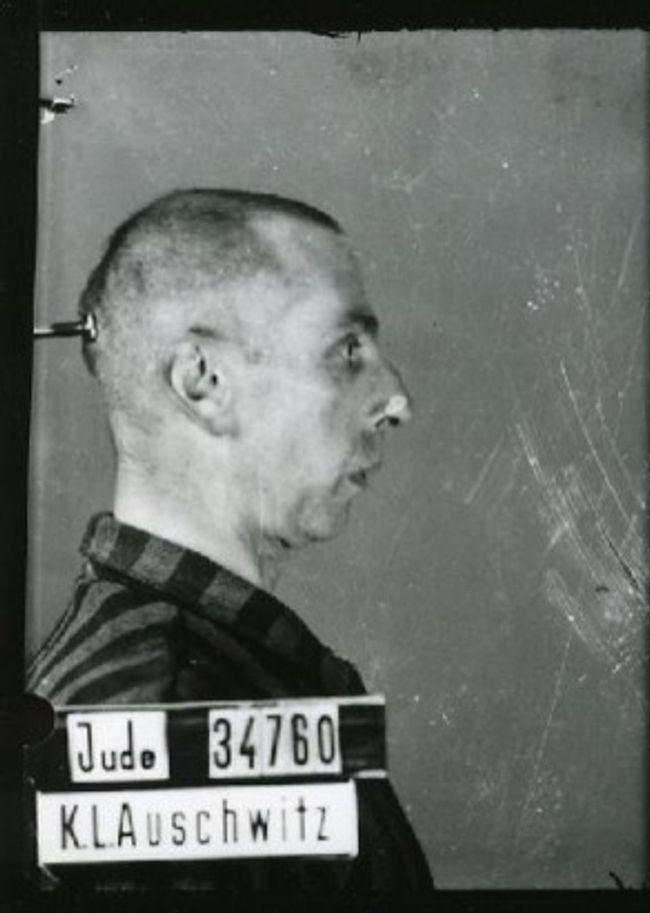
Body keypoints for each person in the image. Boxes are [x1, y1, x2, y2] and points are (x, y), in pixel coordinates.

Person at [26, 189, 431, 890]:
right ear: (202, 379)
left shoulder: (196, 679)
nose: (397, 396)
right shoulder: (171, 716)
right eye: (346, 349)